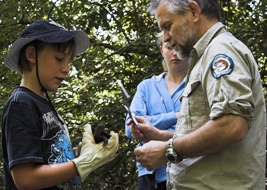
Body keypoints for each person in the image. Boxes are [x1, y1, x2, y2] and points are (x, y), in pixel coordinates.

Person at [132, 0, 266, 189]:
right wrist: (159, 135)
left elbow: (232, 125)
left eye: (168, 26)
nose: (167, 37)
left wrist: (168, 151)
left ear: (194, 11)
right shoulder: (204, 56)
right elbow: (203, 127)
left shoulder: (220, 51)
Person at [1, 19, 119, 190]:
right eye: (59, 59)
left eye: (69, 61)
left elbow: (50, 160)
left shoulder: (43, 102)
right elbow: (25, 179)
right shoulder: (21, 104)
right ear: (32, 55)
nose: (66, 68)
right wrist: (81, 164)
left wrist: (82, 153)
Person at [125, 31, 189, 190]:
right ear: (162, 49)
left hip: (189, 173)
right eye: (170, 47)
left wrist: (151, 127)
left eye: (180, 47)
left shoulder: (197, 85)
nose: (175, 53)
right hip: (149, 176)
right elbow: (129, 126)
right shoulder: (146, 87)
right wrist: (176, 116)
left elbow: (200, 129)